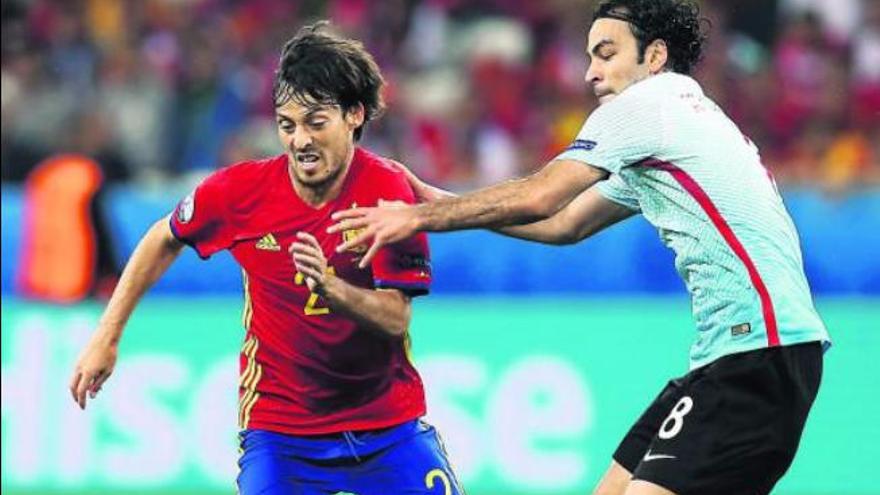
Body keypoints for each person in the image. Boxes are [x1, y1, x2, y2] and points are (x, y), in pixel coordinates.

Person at [329, 1, 830, 494]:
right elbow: (565, 224)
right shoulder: (682, 119)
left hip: (759, 356)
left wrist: (417, 217)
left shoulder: (646, 106)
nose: (592, 73)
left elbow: (543, 196)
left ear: (653, 57)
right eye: (589, 56)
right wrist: (432, 197)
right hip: (733, 359)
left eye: (607, 53)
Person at [69, 22, 464, 495]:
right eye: (287, 124)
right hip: (281, 432)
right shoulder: (239, 194)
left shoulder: (388, 195)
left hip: (387, 426)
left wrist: (332, 288)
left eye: (316, 123)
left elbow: (396, 319)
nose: (300, 141)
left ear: (354, 114)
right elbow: (164, 236)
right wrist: (106, 337)